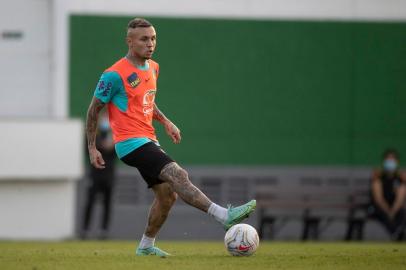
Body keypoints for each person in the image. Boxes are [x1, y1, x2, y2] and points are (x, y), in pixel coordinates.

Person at [85, 18, 256, 257]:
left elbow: (147, 102)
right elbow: (94, 109)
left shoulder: (153, 68)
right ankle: (223, 215)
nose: (150, 43)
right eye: (144, 39)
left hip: (148, 138)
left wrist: (165, 121)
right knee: (178, 174)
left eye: (153, 38)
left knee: (167, 196)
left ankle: (145, 245)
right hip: (130, 142)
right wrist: (92, 147)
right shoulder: (113, 74)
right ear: (130, 41)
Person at [81, 110, 116, 239]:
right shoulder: (93, 135)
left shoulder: (114, 135)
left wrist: (113, 145)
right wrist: (101, 145)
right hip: (95, 174)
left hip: (109, 174)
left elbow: (118, 153)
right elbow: (87, 150)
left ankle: (104, 230)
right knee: (90, 201)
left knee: (107, 203)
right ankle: (85, 230)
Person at [370, 149, 406, 240]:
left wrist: (393, 211)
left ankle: (397, 233)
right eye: (388, 159)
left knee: (401, 212)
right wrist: (389, 212)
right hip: (377, 208)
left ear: (397, 162)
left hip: (394, 207)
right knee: (384, 213)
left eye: (392, 159)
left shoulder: (399, 178)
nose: (390, 162)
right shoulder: (378, 177)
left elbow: (400, 198)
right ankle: (396, 233)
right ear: (384, 161)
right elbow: (378, 199)